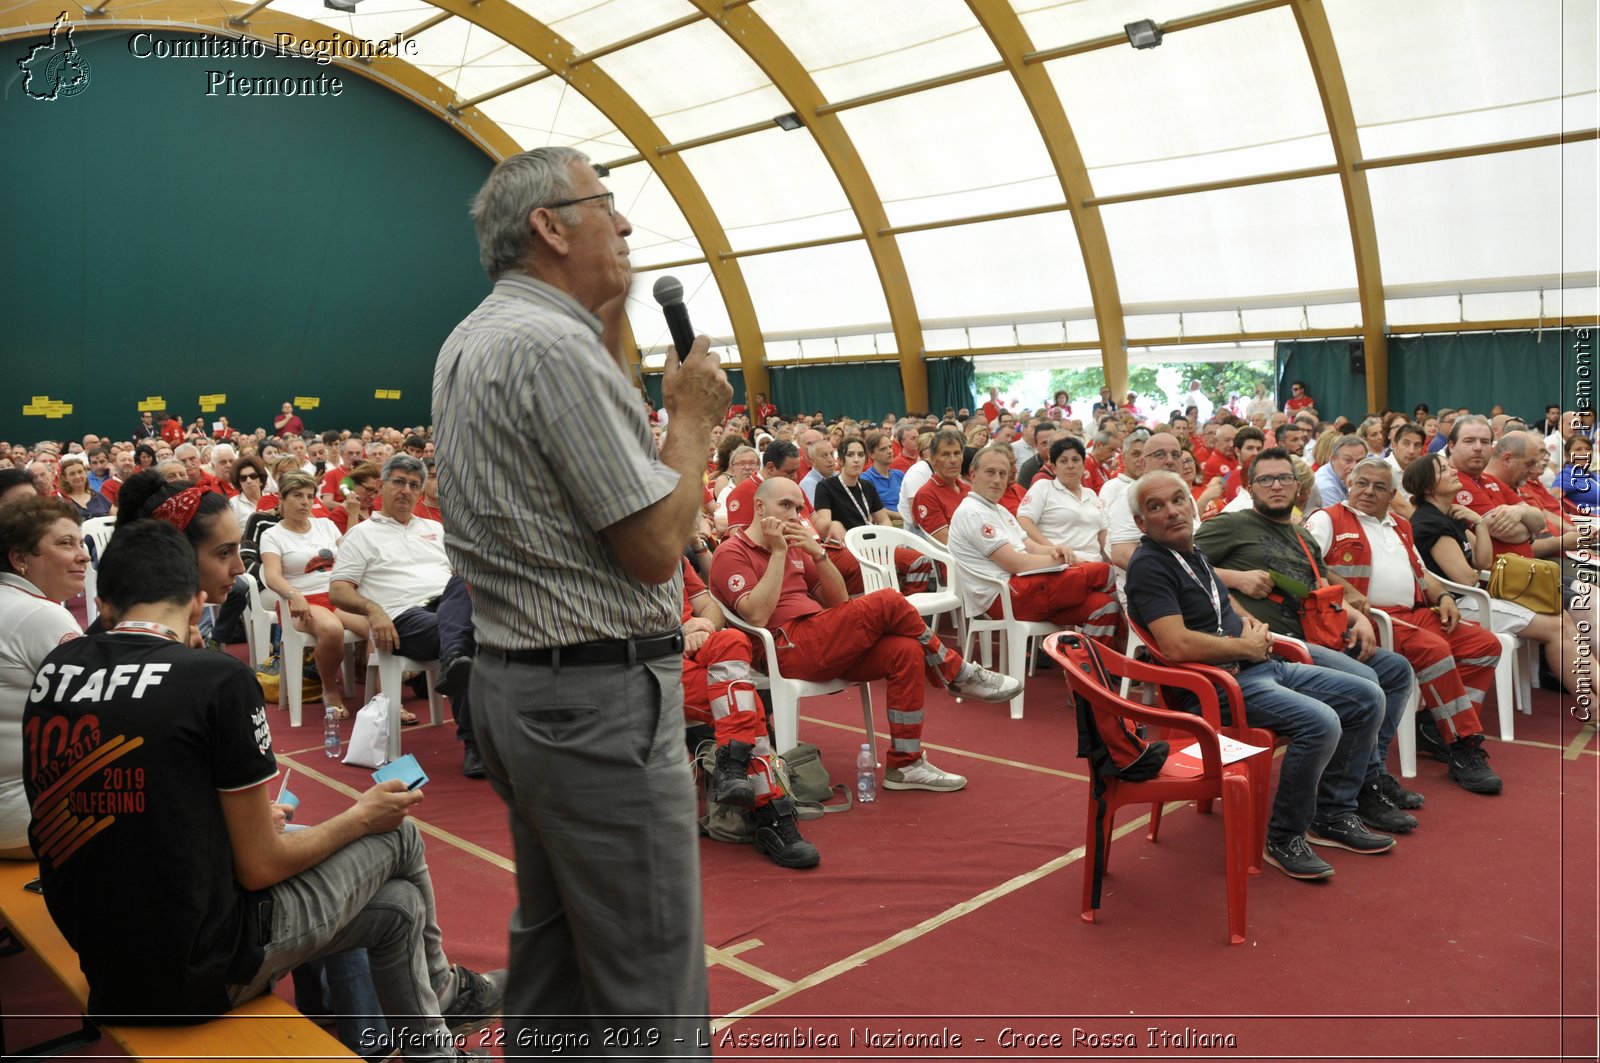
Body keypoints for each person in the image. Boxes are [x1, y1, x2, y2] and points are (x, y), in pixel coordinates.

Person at [431, 146, 728, 1052]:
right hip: (595, 704)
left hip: (521, 686)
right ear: (549, 227)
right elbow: (649, 549)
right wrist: (689, 422)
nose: (629, 224)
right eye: (608, 204)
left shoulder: (472, 335)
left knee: (555, 953)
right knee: (650, 978)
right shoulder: (557, 345)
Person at [23, 520, 501, 1054]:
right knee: (398, 835)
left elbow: (118, 807)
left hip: (108, 963)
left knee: (397, 909)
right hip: (198, 971)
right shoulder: (214, 678)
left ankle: (431, 1050)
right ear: (195, 602)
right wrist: (362, 816)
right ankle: (449, 992)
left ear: (105, 606)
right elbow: (261, 868)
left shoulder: (56, 669)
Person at [1123, 470, 1394, 882]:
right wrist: (1243, 647)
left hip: (1255, 665)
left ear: (1192, 505)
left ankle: (1332, 815)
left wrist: (1254, 630)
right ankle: (1284, 836)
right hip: (1218, 687)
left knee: (1367, 696)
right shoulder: (1150, 565)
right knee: (1321, 722)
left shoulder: (1191, 553)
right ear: (1142, 524)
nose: (1172, 511)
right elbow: (1175, 644)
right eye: (1156, 507)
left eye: (1179, 500)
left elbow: (1224, 610)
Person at [711, 477, 1021, 792]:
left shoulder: (795, 546)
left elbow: (839, 602)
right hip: (785, 648)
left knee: (906, 651)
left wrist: (817, 554)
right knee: (887, 600)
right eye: (785, 506)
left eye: (798, 508)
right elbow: (757, 615)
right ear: (760, 506)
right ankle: (956, 671)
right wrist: (778, 554)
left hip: (821, 637)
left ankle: (906, 763)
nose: (794, 516)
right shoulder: (731, 552)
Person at [1194, 449, 1418, 833]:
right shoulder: (1233, 525)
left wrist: (1357, 615)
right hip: (1275, 644)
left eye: (1284, 478)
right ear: (1251, 488)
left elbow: (1318, 586)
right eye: (1266, 480)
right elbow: (1184, 564)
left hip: (1313, 635)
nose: (1276, 486)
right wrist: (1235, 577)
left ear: (1298, 487)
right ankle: (1345, 796)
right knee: (1367, 684)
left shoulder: (1300, 534)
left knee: (1396, 670)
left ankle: (1370, 773)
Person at [1304, 458, 1503, 794]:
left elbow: (1422, 573)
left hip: (1414, 614)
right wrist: (1347, 590)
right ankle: (1464, 745)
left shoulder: (1400, 525)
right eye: (1362, 482)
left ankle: (1437, 728)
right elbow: (1310, 566)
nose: (1368, 491)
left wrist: (1442, 598)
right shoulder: (1327, 519)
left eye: (1379, 486)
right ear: (1349, 483)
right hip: (1372, 620)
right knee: (1435, 650)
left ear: (1392, 493)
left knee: (1485, 645)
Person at [1403, 453, 1595, 710]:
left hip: (1475, 597)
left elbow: (1482, 562)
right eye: (1444, 469)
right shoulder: (1429, 523)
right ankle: (1593, 706)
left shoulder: (1452, 515)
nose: (1452, 471)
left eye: (1450, 466)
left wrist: (1479, 523)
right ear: (1428, 486)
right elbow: (1466, 579)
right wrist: (1474, 560)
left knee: (1562, 618)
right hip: (1458, 607)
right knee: (1556, 627)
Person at [328, 456, 476, 771]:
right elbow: (338, 591)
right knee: (466, 637)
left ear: (420, 491)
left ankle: (455, 661)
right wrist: (373, 610)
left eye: (413, 485)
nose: (405, 490)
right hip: (402, 618)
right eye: (398, 482)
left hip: (446, 607)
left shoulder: (434, 529)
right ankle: (476, 745)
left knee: (465, 578)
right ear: (381, 486)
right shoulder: (362, 534)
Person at [949, 445, 1122, 642]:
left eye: (1003, 474)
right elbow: (1015, 563)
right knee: (1106, 573)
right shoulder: (972, 511)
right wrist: (1062, 561)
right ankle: (1143, 651)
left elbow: (1030, 546)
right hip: (1005, 595)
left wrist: (1057, 550)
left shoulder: (998, 510)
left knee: (1103, 605)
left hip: (1027, 588)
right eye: (990, 472)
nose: (997, 480)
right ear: (973, 475)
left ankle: (1092, 669)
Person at [0, 498, 86, 858]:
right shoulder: (40, 615)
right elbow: (109, 712)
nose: (83, 555)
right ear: (20, 559)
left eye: (81, 543)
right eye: (66, 544)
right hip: (20, 816)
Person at [261, 472, 369, 723]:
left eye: (310, 496)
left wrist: (352, 514)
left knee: (377, 625)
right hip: (300, 599)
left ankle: (383, 697)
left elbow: (350, 550)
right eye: (297, 496)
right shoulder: (272, 534)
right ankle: (330, 689)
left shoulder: (325, 524)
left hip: (336, 594)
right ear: (282, 499)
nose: (305, 502)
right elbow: (271, 576)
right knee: (331, 630)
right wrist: (292, 594)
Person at [1017, 436, 1108, 562]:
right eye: (1063, 461)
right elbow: (1024, 521)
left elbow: (1103, 533)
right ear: (1054, 468)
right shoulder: (1044, 487)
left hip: (1096, 564)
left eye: (1075, 460)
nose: (1070, 466)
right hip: (1061, 564)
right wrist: (1054, 550)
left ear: (1083, 465)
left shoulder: (1091, 494)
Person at [860, 430, 905, 518]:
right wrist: (900, 516)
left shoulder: (899, 474)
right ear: (872, 455)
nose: (890, 451)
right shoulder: (866, 479)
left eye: (890, 447)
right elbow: (872, 508)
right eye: (883, 449)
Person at [1314, 435, 1368, 507]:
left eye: (1359, 461)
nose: (1354, 467)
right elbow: (1342, 517)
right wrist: (1351, 491)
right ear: (1333, 458)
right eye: (1348, 460)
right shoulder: (1326, 486)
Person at [1553, 434, 1600, 512]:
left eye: (1588, 449)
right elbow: (1549, 502)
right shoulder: (1567, 477)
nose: (1585, 453)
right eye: (1578, 449)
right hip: (1590, 521)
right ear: (1567, 456)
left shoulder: (1594, 476)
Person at [56, 454, 111, 521]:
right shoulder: (62, 500)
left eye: (80, 472)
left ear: (85, 473)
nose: (78, 476)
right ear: (65, 478)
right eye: (72, 474)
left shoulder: (98, 496)